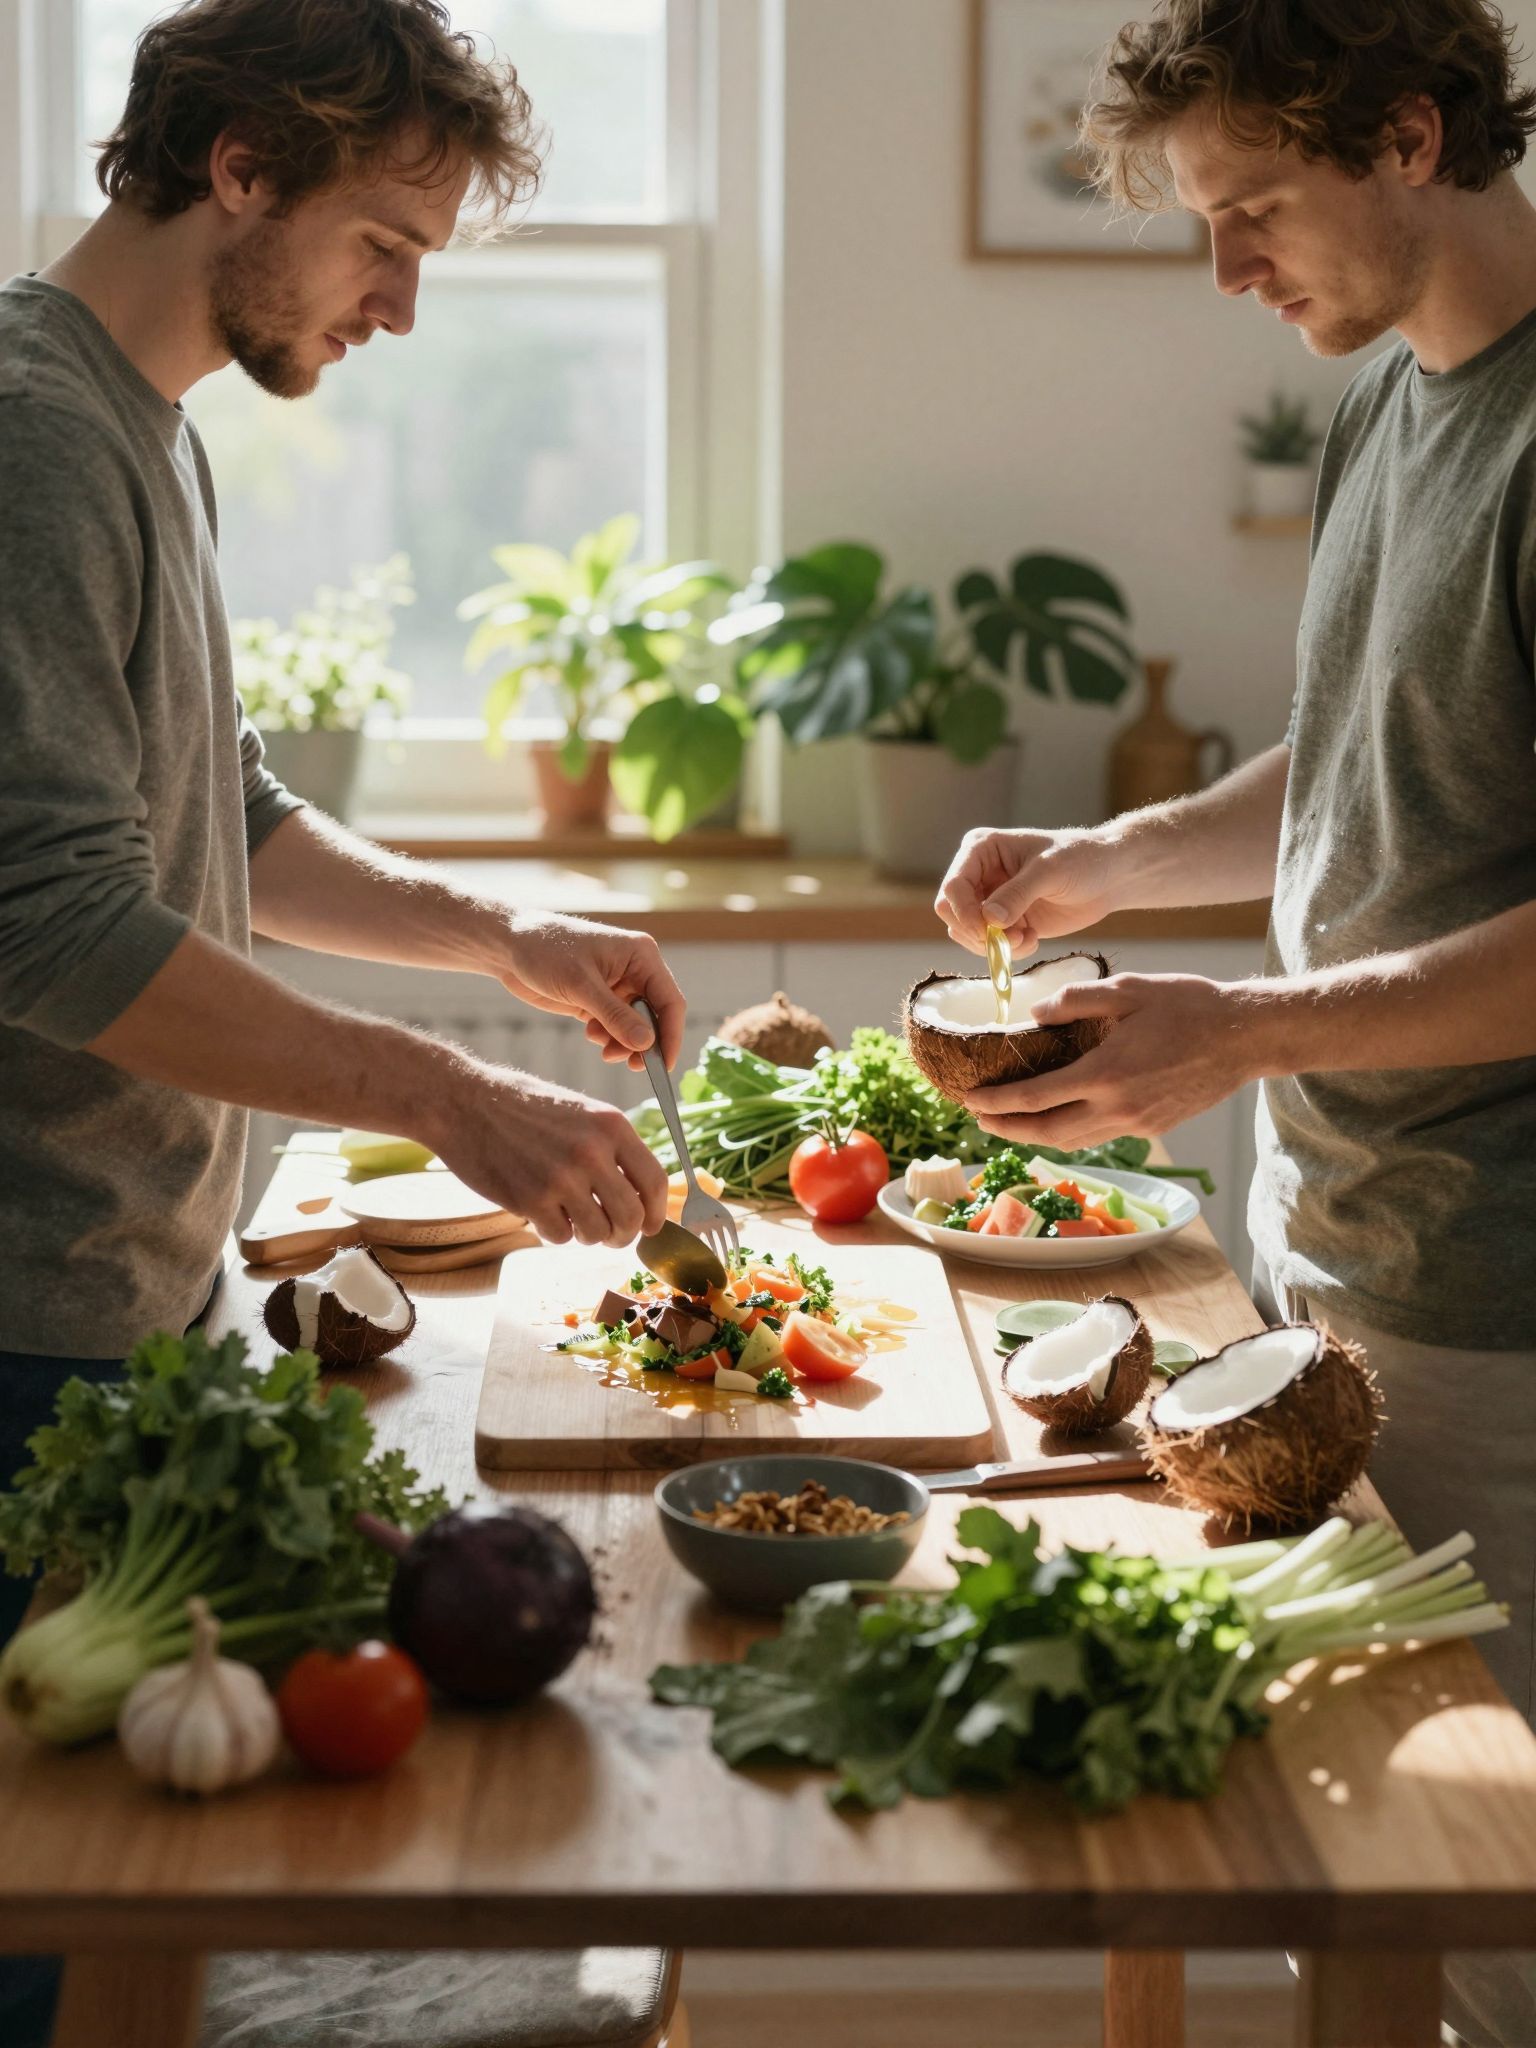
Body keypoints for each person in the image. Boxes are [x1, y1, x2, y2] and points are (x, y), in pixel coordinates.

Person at [939, 3, 1536, 2039]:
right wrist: (1106, 857)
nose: (1227, 268)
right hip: (1338, 1239)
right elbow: (1367, 751)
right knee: (1337, 1877)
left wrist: (1250, 1027)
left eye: (1256, 205)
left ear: (1411, 134)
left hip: (1504, 1306)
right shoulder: (1394, 400)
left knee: (1474, 1924)